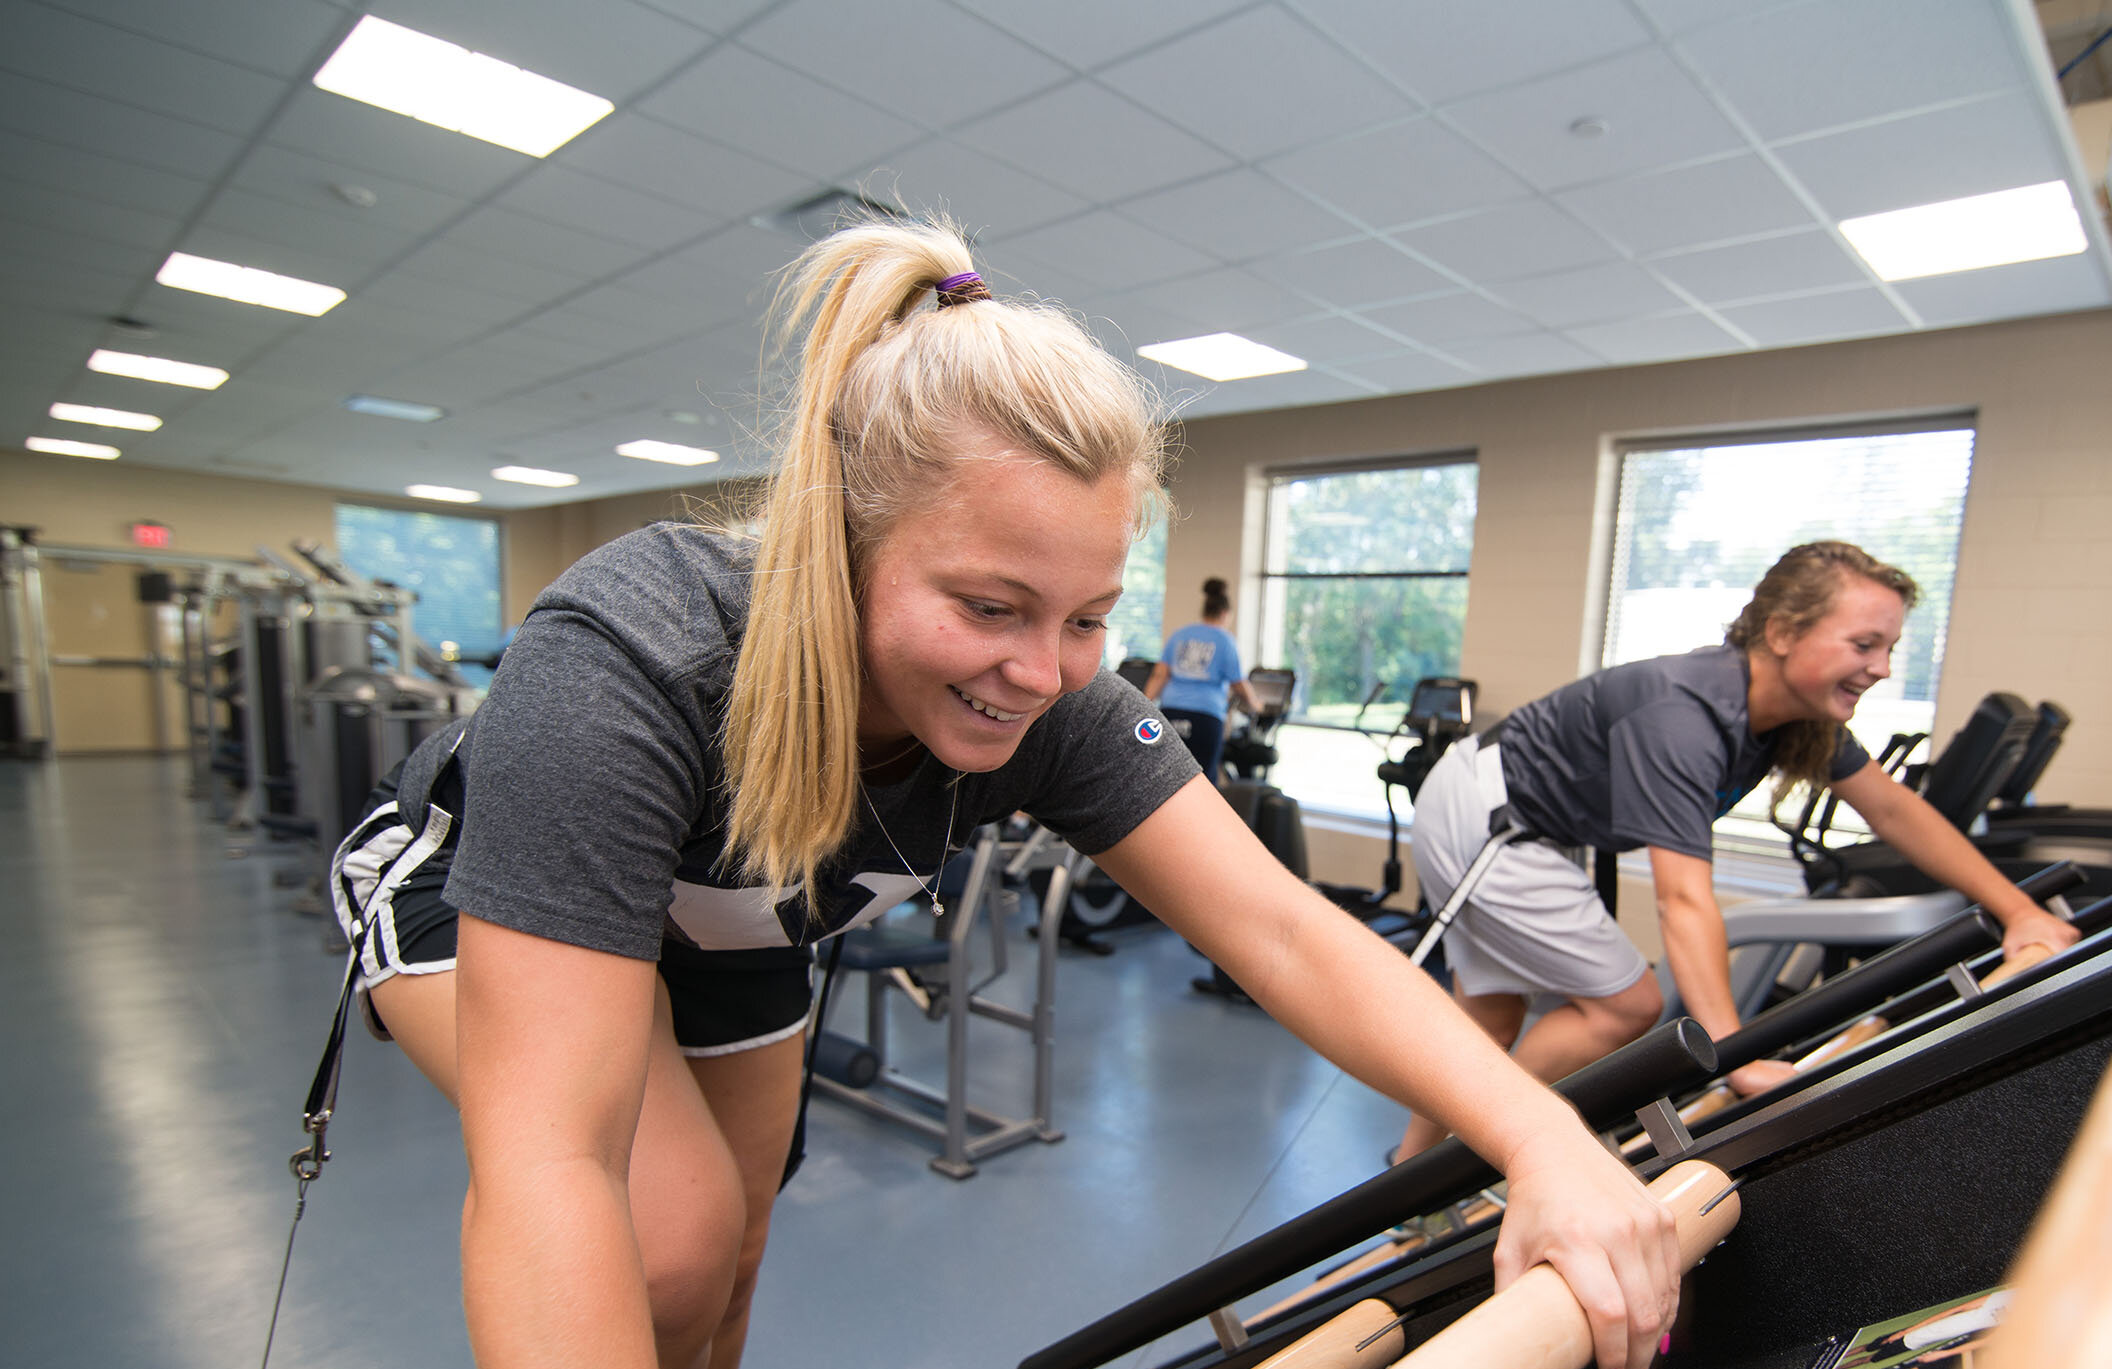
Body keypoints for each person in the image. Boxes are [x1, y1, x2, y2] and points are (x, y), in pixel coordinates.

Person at [325, 218, 1682, 1369]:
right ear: (838, 544)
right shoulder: (634, 660)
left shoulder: (1050, 690)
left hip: (736, 918)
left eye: (1089, 615)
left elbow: (1282, 928)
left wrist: (1539, 1139)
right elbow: (547, 1163)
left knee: (732, 1237)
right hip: (474, 882)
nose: (1041, 671)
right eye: (989, 605)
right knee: (661, 1226)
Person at [1391, 542, 2080, 1163]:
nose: (1882, 667)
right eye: (1865, 643)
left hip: (1514, 810)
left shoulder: (1798, 717)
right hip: (1490, 814)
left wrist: (2017, 909)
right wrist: (1734, 1055)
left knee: (1494, 1011)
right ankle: (1475, 1156)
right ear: (1782, 632)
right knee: (1627, 1005)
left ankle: (1411, 1178)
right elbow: (1682, 897)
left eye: (1890, 647)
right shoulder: (1683, 716)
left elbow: (1894, 808)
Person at [1145, 577, 1256, 776]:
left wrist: (1143, 705)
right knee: (1203, 778)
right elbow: (1239, 683)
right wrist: (1257, 705)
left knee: (1167, 776)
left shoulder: (1179, 634)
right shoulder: (1225, 640)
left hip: (1171, 712)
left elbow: (1159, 674)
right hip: (1205, 716)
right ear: (1225, 614)